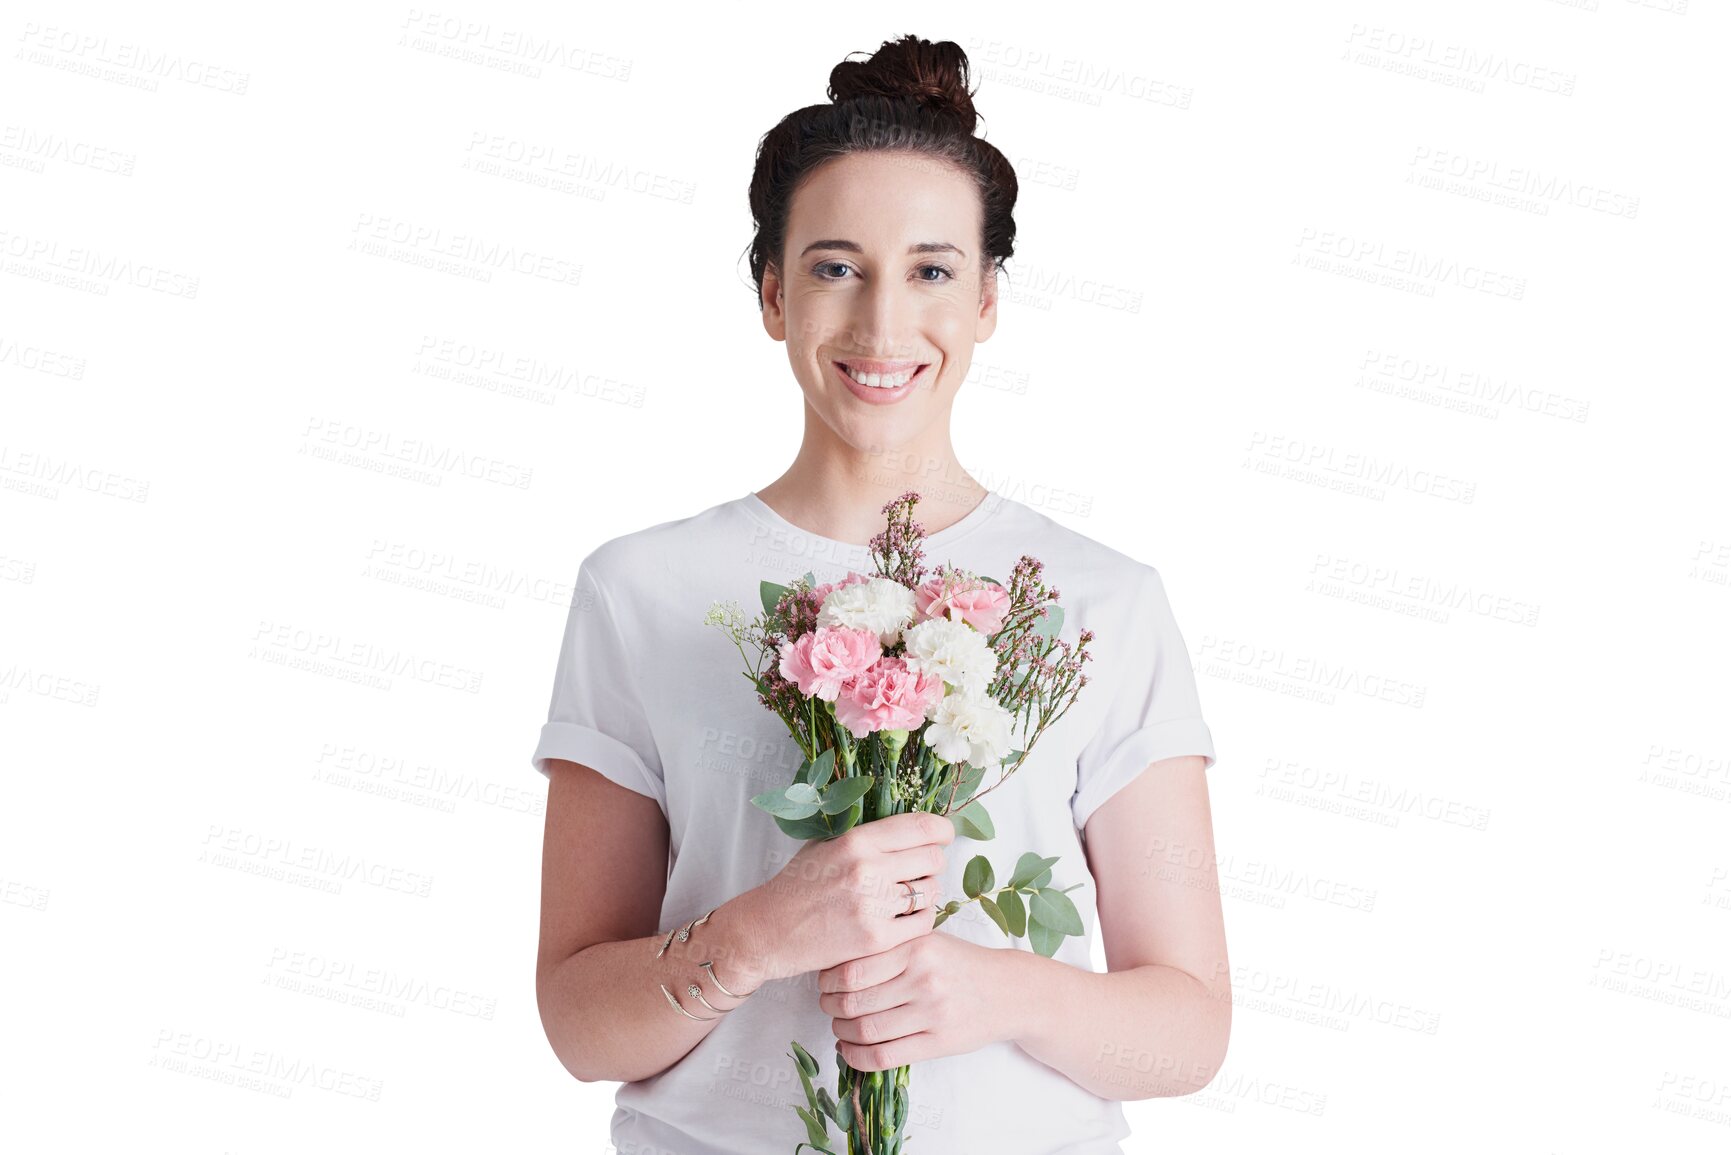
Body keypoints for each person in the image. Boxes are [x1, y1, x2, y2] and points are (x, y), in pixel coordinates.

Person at [530, 34, 1230, 1155]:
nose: (883, 325)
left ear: (989, 300)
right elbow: (579, 1025)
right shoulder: (643, 591)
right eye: (835, 266)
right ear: (772, 292)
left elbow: (1189, 1032)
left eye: (933, 270)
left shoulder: (1107, 605)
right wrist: (761, 935)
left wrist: (997, 992)